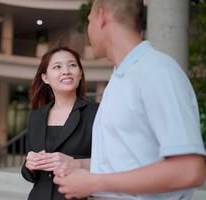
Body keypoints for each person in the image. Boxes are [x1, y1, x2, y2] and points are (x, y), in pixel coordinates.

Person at [54, 0, 206, 199]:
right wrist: (78, 164)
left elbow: (189, 170)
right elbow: (129, 160)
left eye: (89, 20)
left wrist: (94, 183)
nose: (88, 29)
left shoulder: (157, 71)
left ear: (102, 17)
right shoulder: (120, 78)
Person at [21, 46, 99, 200]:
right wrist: (29, 165)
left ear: (80, 73)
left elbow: (111, 162)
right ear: (45, 78)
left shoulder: (97, 113)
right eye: (57, 66)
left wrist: (73, 162)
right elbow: (29, 174)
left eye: (72, 65)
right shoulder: (36, 117)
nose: (66, 71)